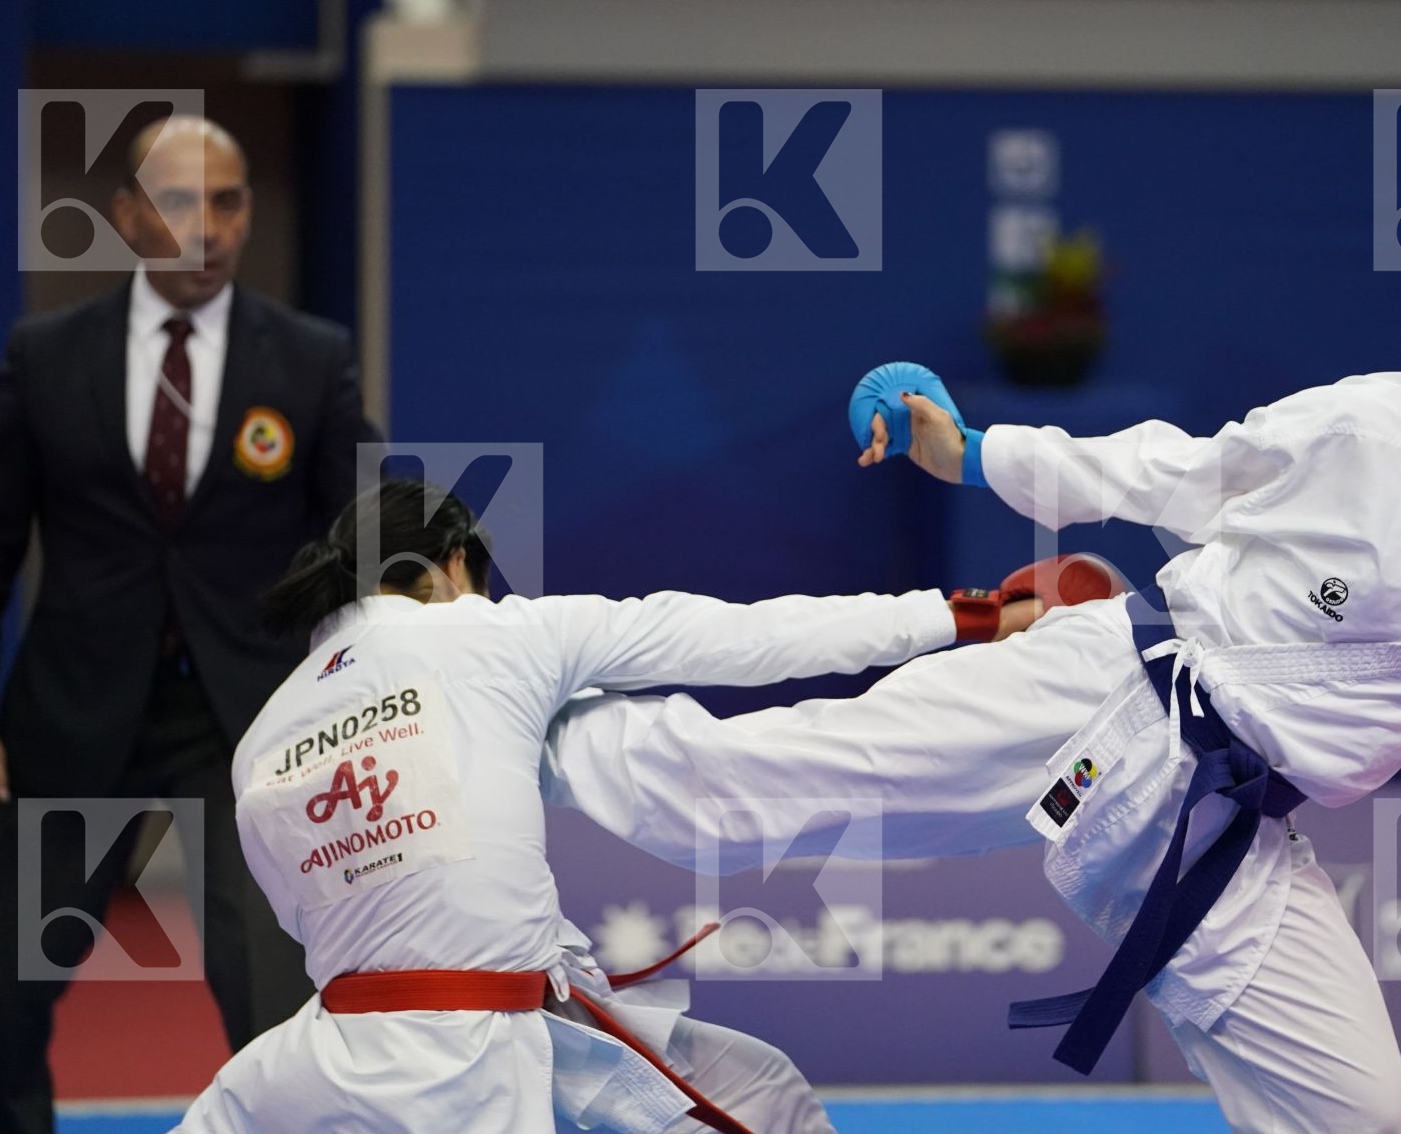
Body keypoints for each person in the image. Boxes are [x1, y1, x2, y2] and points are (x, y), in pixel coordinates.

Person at [544, 270, 1401, 1133]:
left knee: (1368, 1119)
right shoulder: (1385, 424)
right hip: (1106, 698)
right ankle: (523, 720)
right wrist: (976, 453)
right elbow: (1182, 472)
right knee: (742, 786)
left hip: (1227, 837)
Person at [171, 478, 1042, 1134]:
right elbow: (747, 638)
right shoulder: (499, 632)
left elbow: (314, 919)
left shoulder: (260, 740)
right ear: (453, 565)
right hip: (473, 1059)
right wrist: (965, 617)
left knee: (760, 1092)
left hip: (324, 1056)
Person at [0, 116, 380, 1133]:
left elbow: (358, 543)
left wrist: (360, 694)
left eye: (227, 203)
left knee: (277, 1014)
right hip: (74, 716)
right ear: (128, 216)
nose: (207, 227)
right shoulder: (47, 357)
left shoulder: (311, 361)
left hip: (248, 729)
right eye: (178, 202)